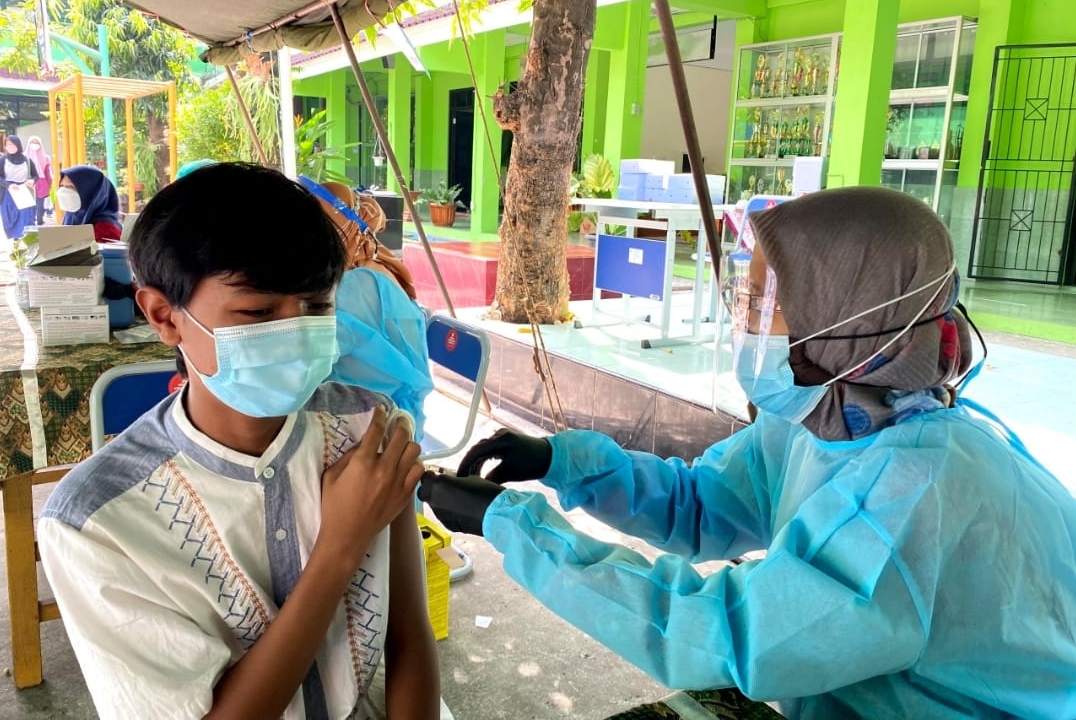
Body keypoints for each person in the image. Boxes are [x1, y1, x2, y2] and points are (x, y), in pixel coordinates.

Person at [418, 186, 1076, 720]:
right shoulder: (821, 418)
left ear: (844, 321)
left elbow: (736, 634)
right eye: (744, 296)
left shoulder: (918, 487)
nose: (743, 320)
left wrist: (515, 525)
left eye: (765, 303)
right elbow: (702, 507)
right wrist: (565, 463)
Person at [38, 162, 442, 720]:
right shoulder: (99, 523)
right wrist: (340, 546)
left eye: (318, 306)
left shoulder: (367, 429)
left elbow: (409, 640)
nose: (296, 331)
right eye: (258, 312)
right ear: (163, 316)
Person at [297, 175, 434, 442]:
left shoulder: (355, 283)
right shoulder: (373, 264)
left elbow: (307, 356)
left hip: (384, 423)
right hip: (383, 409)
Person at [57, 164, 123, 243]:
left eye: (71, 187)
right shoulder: (71, 217)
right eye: (62, 186)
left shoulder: (106, 230)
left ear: (91, 192)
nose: (64, 191)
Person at [0, 133, 38, 239]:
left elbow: (36, 175)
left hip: (24, 192)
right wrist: (9, 185)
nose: (10, 147)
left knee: (26, 218)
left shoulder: (27, 160)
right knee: (11, 219)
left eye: (12, 144)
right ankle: (16, 242)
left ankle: (27, 240)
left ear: (18, 145)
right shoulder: (3, 160)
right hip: (8, 194)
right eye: (8, 145)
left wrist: (32, 181)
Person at [25, 135, 53, 226]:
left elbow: (48, 173)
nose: (35, 144)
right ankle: (31, 222)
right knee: (28, 205)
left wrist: (49, 185)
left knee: (39, 204)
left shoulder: (46, 158)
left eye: (37, 143)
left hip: (41, 183)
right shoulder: (24, 157)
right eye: (33, 142)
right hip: (27, 183)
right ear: (29, 144)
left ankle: (39, 221)